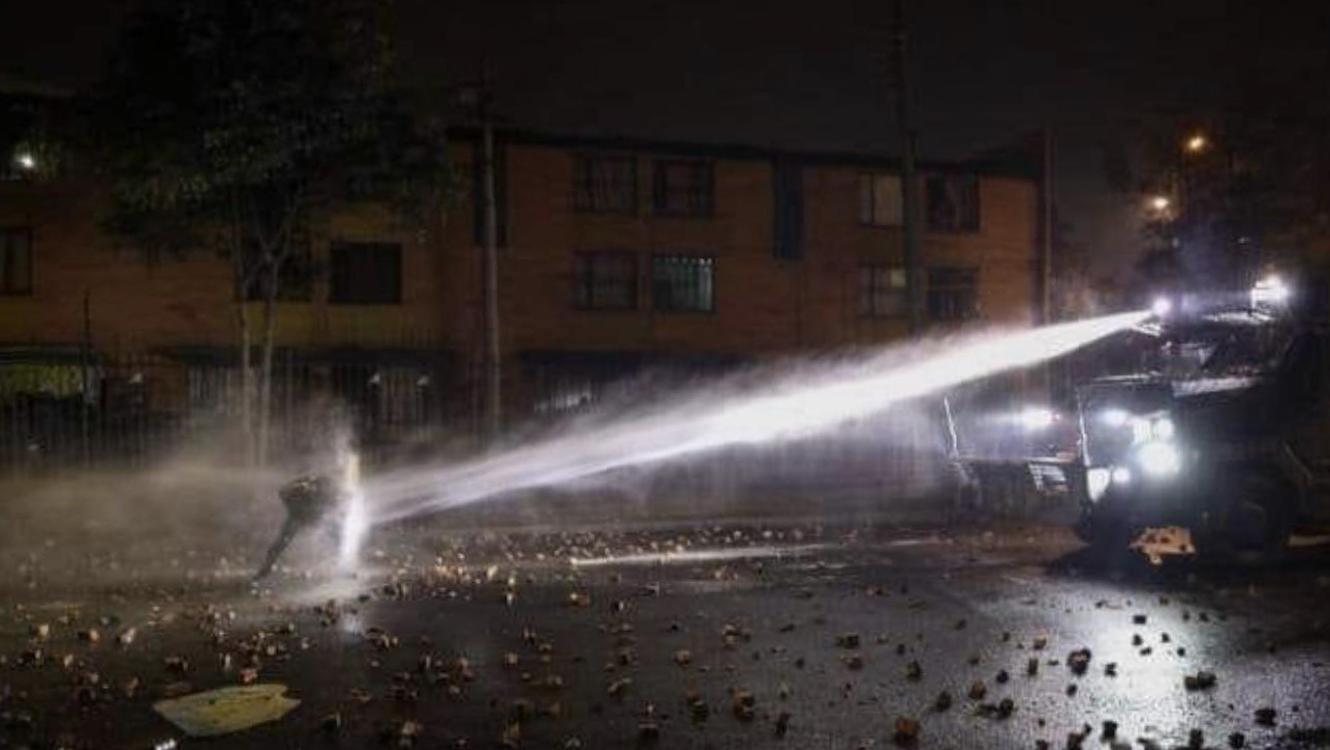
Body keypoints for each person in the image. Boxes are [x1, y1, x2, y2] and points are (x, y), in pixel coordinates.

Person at [253, 473, 347, 580]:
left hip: (317, 517)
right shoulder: (299, 488)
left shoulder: (327, 489)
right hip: (299, 517)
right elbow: (283, 493)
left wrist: (325, 512)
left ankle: (339, 565)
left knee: (336, 536)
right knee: (281, 543)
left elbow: (337, 503)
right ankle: (266, 568)